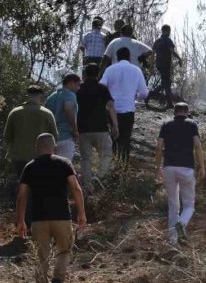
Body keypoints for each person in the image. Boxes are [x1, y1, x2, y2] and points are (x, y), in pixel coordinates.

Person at [16, 133, 87, 283]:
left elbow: (22, 195)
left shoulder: (30, 167)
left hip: (38, 220)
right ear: (54, 147)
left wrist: (20, 220)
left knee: (41, 258)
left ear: (37, 147)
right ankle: (58, 280)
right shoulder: (64, 163)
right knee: (64, 251)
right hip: (62, 217)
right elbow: (76, 188)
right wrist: (81, 213)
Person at [4, 85, 59, 226]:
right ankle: (36, 221)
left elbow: (7, 137)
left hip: (19, 157)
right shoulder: (47, 114)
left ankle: (21, 221)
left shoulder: (15, 112)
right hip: (41, 158)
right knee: (39, 189)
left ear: (27, 95)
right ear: (41, 96)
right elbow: (55, 137)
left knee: (22, 189)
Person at [155, 102, 206, 247]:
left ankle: (173, 241)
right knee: (189, 205)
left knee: (173, 205)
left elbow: (159, 147)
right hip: (186, 168)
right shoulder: (191, 124)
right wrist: (202, 166)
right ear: (187, 112)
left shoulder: (166, 124)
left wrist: (157, 166)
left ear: (174, 112)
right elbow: (197, 145)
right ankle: (181, 223)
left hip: (169, 168)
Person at [100, 47, 148, 165]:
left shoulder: (110, 69)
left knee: (113, 136)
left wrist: (106, 99)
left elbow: (101, 86)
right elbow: (144, 93)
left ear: (116, 57)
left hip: (112, 109)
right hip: (128, 109)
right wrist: (135, 98)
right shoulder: (136, 70)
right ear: (129, 57)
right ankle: (123, 166)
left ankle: (112, 163)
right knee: (126, 138)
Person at [77, 63, 119, 191]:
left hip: (83, 129)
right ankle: (99, 177)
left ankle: (87, 186)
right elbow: (111, 106)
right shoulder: (102, 89)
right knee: (106, 154)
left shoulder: (79, 89)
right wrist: (115, 125)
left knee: (85, 158)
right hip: (101, 128)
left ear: (84, 74)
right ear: (98, 74)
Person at [45, 73, 81, 160]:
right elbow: (68, 108)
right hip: (65, 136)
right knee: (64, 168)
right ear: (71, 83)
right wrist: (75, 130)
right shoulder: (70, 95)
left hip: (50, 138)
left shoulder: (51, 97)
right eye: (78, 84)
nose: (78, 88)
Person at [152, 25, 182, 108]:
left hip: (158, 64)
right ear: (167, 31)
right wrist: (179, 58)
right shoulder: (168, 40)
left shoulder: (157, 41)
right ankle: (151, 95)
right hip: (165, 64)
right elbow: (172, 51)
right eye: (169, 31)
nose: (169, 33)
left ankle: (165, 100)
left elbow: (153, 53)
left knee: (165, 82)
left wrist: (151, 65)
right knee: (166, 83)